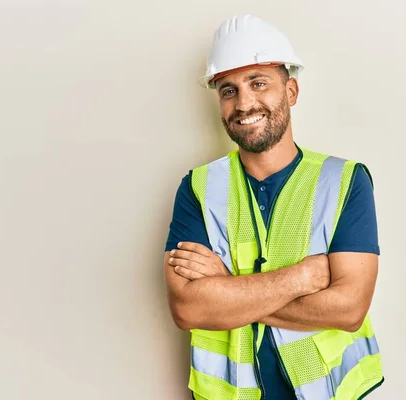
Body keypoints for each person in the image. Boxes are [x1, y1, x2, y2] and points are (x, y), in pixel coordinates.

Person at [163, 14, 384, 400]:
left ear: (292, 91)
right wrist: (302, 278)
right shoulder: (198, 188)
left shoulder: (345, 181)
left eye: (258, 83)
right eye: (228, 90)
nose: (244, 103)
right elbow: (188, 309)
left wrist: (227, 291)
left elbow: (349, 310)